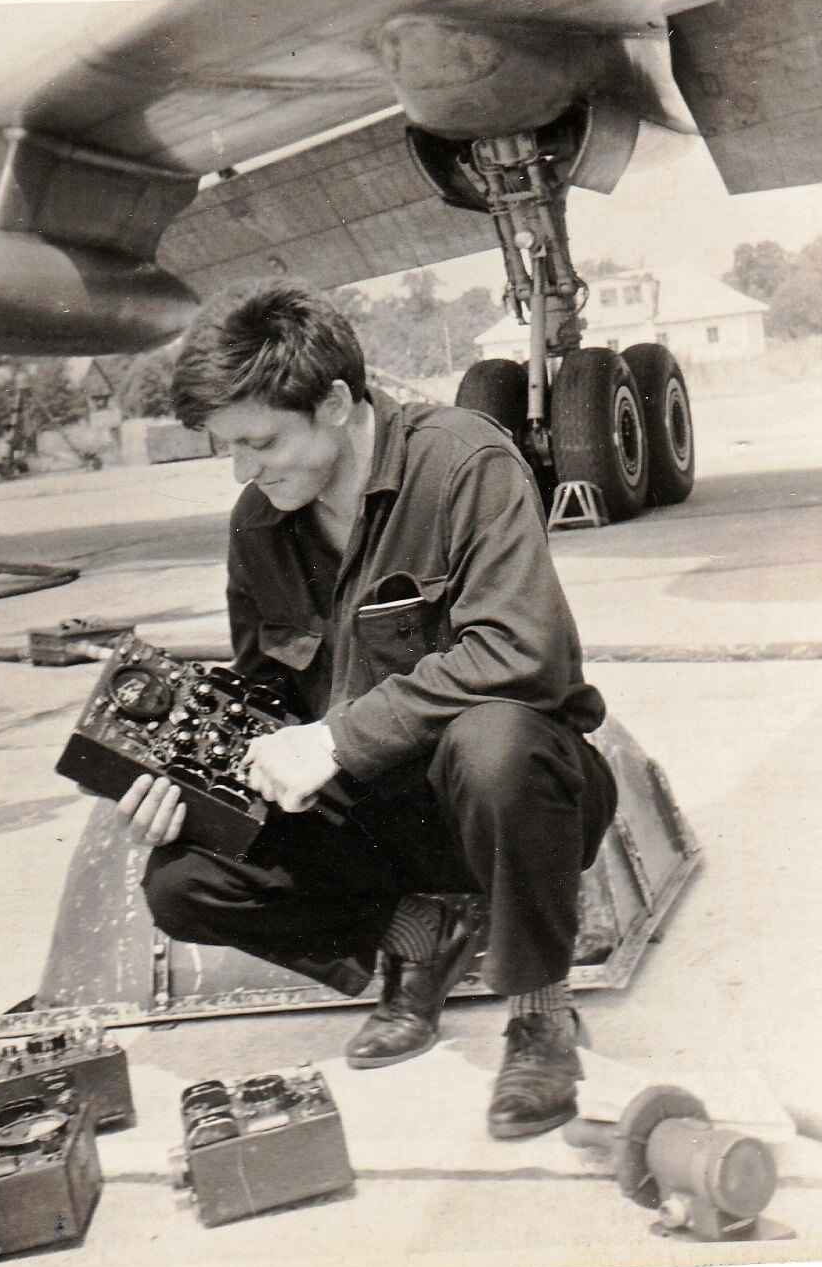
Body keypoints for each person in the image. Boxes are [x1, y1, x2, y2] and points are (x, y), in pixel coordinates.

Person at [117, 281, 617, 1138]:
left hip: (511, 799)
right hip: (376, 817)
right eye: (228, 448)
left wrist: (339, 739)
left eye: (260, 442)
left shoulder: (465, 464)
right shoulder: (258, 524)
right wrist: (185, 783)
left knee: (495, 740)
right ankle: (419, 938)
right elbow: (265, 698)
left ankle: (541, 1015)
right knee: (183, 878)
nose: (243, 471)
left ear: (337, 404)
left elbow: (523, 651)